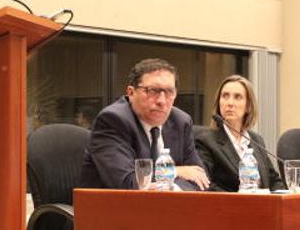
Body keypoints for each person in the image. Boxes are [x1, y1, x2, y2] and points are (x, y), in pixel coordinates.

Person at [79, 58, 210, 191]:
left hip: (168, 208)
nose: (162, 101)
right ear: (131, 92)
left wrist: (173, 189)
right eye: (152, 91)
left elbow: (200, 179)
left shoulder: (180, 122)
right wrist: (174, 171)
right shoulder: (113, 120)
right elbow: (128, 183)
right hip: (112, 209)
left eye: (169, 91)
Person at [195, 75, 284, 192]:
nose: (230, 103)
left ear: (248, 106)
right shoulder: (206, 140)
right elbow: (206, 184)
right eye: (225, 96)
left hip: (264, 206)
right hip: (230, 207)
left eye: (237, 97)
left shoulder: (256, 140)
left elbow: (273, 180)